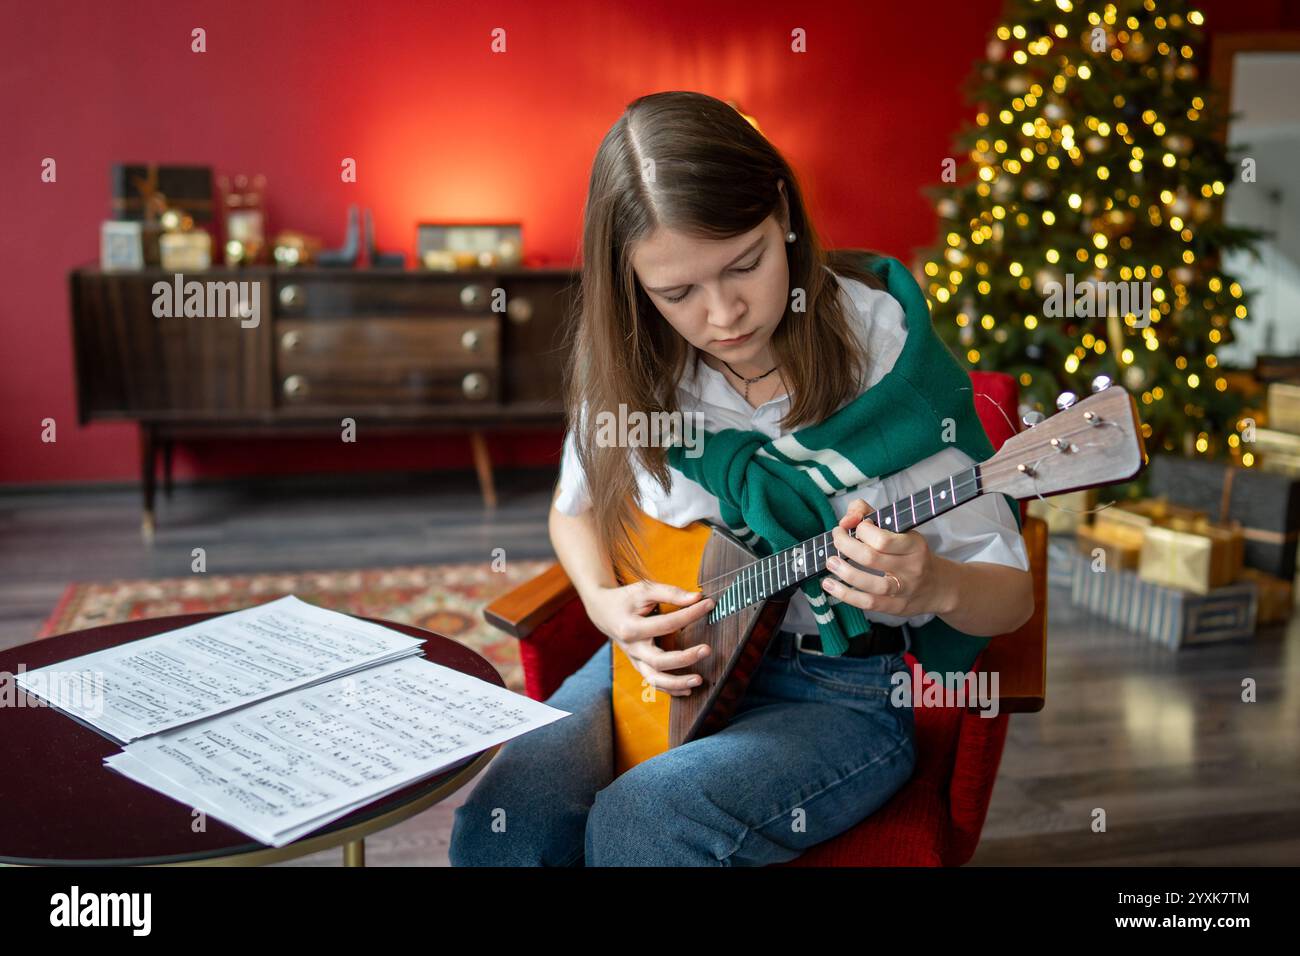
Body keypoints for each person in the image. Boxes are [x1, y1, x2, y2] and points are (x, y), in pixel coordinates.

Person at [449, 90, 1033, 867]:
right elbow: (574, 509)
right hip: (674, 661)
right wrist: (604, 605)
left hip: (839, 693)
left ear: (783, 212)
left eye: (746, 264)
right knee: (502, 822)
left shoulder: (890, 362)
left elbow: (1012, 595)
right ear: (631, 286)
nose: (724, 314)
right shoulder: (631, 357)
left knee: (644, 825)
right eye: (677, 292)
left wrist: (932, 586)